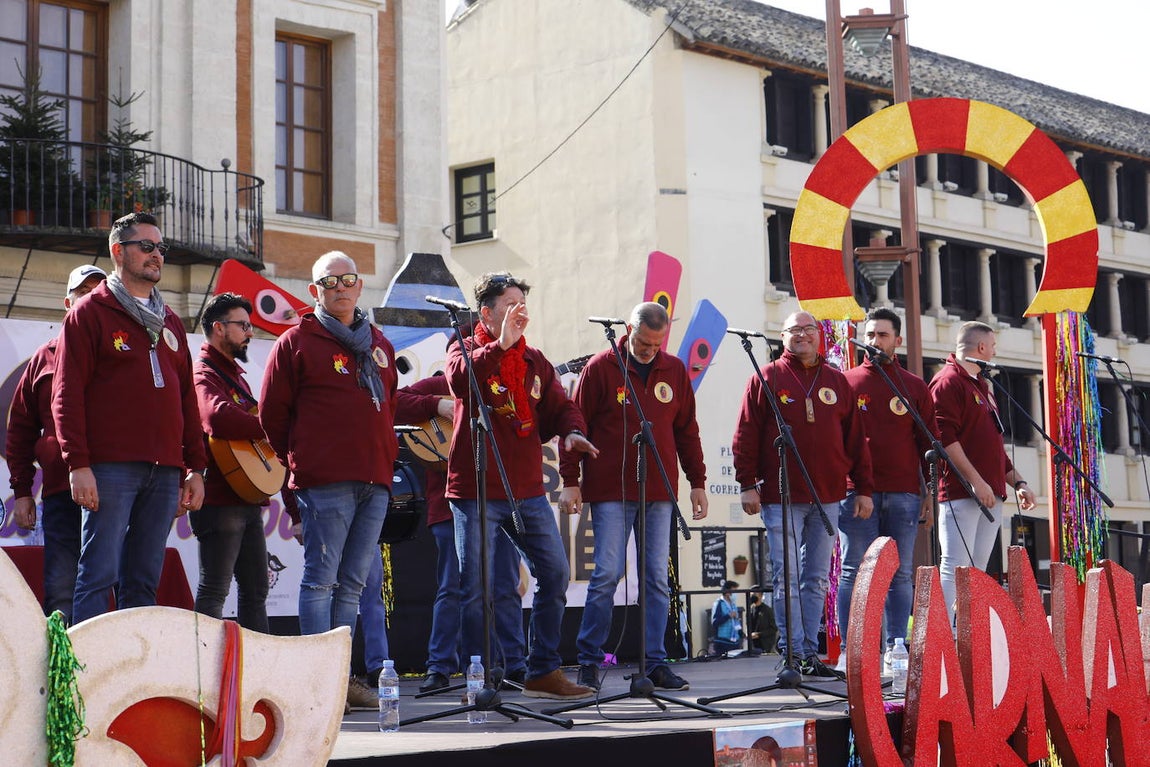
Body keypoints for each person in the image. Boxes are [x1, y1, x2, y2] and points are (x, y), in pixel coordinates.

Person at [446, 271, 598, 700]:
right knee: (476, 589)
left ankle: (542, 671)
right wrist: (501, 346)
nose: (520, 312)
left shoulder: (535, 361)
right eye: (510, 305)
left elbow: (560, 405)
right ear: (487, 313)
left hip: (526, 489)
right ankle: (480, 678)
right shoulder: (463, 348)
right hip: (475, 489)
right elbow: (462, 384)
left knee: (555, 575)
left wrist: (571, 431)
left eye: (522, 304)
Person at [259, 251, 398, 711]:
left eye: (348, 279)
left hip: (375, 480)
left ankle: (340, 678)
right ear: (314, 291)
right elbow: (272, 418)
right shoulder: (296, 341)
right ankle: (315, 681)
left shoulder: (378, 343)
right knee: (321, 582)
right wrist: (303, 462)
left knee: (354, 585)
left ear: (360, 287)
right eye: (329, 281)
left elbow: (390, 407)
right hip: (324, 481)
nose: (340, 287)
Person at [52, 213, 206, 624]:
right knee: (98, 575)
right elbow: (66, 394)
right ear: (119, 251)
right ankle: (89, 679)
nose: (157, 255)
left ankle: (134, 681)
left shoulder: (171, 320)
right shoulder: (89, 312)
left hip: (165, 470)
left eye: (161, 248)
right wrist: (78, 464)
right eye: (147, 246)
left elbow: (187, 399)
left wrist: (195, 468)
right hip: (109, 468)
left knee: (143, 580)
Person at [558, 301, 707, 692]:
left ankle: (654, 662)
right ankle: (589, 661)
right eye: (643, 343)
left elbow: (687, 430)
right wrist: (570, 479)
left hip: (659, 490)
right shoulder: (601, 367)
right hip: (611, 489)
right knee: (606, 574)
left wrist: (697, 482)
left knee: (657, 577)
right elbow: (575, 425)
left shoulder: (673, 370)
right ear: (628, 329)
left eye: (656, 344)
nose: (649, 351)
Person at [732, 310, 873, 679]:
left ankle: (810, 654)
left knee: (816, 580)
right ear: (782, 337)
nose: (803, 335)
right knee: (787, 576)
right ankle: (792, 654)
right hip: (781, 496)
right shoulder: (766, 377)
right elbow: (745, 434)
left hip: (827, 496)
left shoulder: (837, 382)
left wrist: (862, 488)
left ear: (819, 335)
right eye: (795, 330)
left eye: (809, 329)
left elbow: (856, 440)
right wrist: (747, 484)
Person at [397, 373, 527, 693]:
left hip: (500, 500)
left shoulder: (503, 388)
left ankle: (515, 666)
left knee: (506, 586)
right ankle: (440, 667)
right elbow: (394, 402)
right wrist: (437, 404)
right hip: (450, 505)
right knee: (453, 587)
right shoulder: (436, 385)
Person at [6, 264, 106, 623]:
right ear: (68, 302)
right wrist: (21, 491)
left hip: (118, 490)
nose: (92, 299)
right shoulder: (44, 358)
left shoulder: (121, 353)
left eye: (99, 292)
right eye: (84, 293)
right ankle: (63, 677)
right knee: (62, 589)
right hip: (62, 492)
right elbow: (18, 430)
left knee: (114, 586)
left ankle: (111, 674)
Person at [838, 307, 938, 655]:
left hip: (905, 495)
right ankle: (856, 652)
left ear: (897, 340)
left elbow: (929, 445)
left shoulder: (914, 387)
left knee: (899, 573)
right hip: (855, 494)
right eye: (869, 335)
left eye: (882, 335)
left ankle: (897, 646)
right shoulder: (846, 382)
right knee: (855, 571)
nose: (874, 341)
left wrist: (929, 492)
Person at [929, 321, 1036, 623]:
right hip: (962, 492)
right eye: (993, 346)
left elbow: (994, 446)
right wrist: (976, 481)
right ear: (981, 348)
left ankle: (968, 634)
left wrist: (1019, 481)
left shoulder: (982, 387)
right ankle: (945, 635)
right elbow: (944, 438)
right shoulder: (948, 381)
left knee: (976, 569)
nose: (994, 352)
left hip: (991, 494)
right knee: (955, 564)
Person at [190, 292, 270, 632]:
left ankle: (258, 675)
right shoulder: (202, 373)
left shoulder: (236, 376)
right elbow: (217, 419)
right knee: (214, 592)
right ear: (219, 328)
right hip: (220, 500)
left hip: (246, 496)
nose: (250, 333)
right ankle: (203, 680)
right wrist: (272, 428)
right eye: (243, 326)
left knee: (256, 592)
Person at [710, 580, 744, 656]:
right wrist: (728, 616)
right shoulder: (718, 604)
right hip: (723, 642)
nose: (736, 594)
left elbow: (736, 622)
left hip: (735, 642)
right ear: (727, 592)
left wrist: (741, 634)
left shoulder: (733, 604)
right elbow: (715, 622)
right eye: (734, 591)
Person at [747, 588, 778, 655]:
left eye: (755, 594)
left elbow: (774, 628)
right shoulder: (750, 610)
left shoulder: (767, 610)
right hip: (753, 645)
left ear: (760, 596)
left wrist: (759, 634)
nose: (753, 596)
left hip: (765, 645)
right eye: (752, 594)